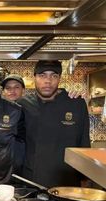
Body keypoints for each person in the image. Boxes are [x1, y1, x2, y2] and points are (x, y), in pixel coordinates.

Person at [17, 60, 90, 188]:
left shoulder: (76, 104)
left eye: (54, 76)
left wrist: (85, 179)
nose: (48, 81)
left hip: (67, 182)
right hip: (32, 180)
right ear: (34, 77)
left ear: (60, 78)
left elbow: (84, 143)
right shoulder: (22, 105)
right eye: (42, 75)